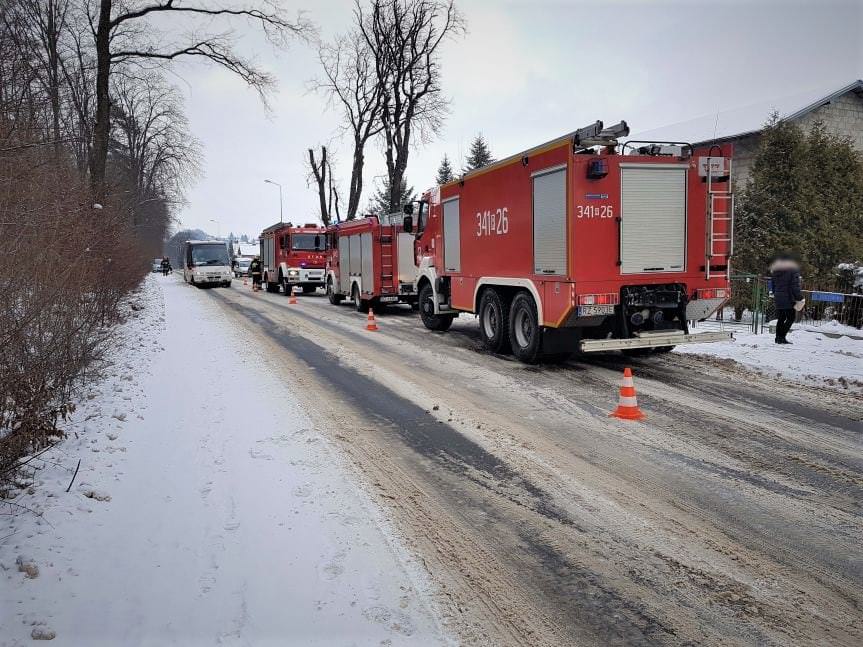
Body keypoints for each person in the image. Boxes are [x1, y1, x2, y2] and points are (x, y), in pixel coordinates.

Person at [770, 254, 804, 344]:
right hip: (788, 297)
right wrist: (799, 297)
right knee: (791, 318)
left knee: (781, 318)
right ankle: (782, 337)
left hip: (778, 296)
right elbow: (795, 286)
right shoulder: (793, 270)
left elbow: (772, 284)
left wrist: (775, 293)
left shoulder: (775, 270)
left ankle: (778, 338)